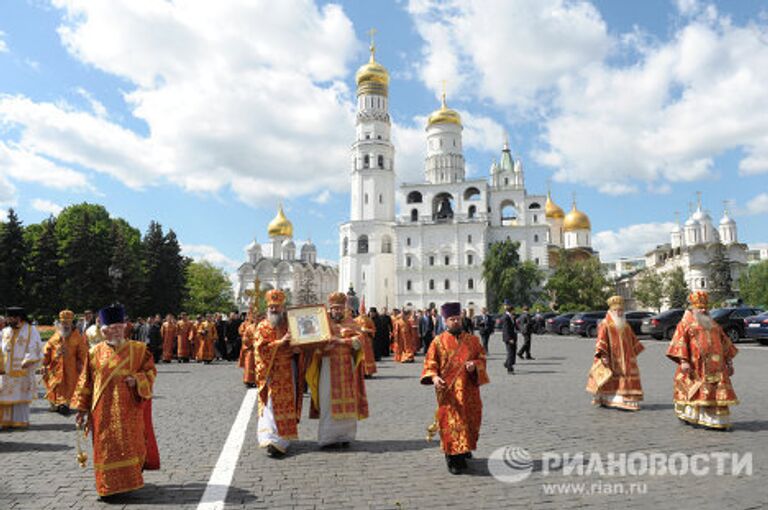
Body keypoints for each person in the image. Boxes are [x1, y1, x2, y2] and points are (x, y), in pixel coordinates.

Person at [73, 304, 159, 499]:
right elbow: (85, 381)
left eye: (121, 327)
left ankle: (130, 483)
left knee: (130, 444)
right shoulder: (94, 353)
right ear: (104, 330)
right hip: (102, 410)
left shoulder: (139, 350)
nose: (118, 330)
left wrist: (136, 379)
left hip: (129, 408)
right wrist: (81, 409)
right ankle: (107, 487)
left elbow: (150, 371)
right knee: (105, 447)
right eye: (113, 328)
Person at [421, 302, 489, 475]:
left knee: (470, 421)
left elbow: (482, 358)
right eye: (452, 319)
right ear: (445, 320)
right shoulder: (438, 342)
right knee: (451, 424)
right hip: (448, 391)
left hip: (469, 391)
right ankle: (453, 459)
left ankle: (465, 449)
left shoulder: (472, 341)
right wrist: (434, 377)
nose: (456, 322)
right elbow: (430, 363)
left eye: (458, 319)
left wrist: (475, 365)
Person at [666, 291, 739, 429]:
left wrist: (729, 363)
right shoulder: (685, 324)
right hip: (695, 365)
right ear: (693, 308)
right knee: (693, 391)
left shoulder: (714, 325)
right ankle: (689, 415)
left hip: (717, 367)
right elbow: (680, 342)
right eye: (700, 307)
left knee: (717, 393)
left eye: (705, 307)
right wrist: (684, 361)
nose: (703, 310)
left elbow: (726, 344)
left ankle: (716, 421)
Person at [305, 292, 368, 448]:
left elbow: (360, 340)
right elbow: (313, 343)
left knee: (348, 401)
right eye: (335, 309)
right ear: (330, 309)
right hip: (328, 365)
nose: (338, 311)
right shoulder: (322, 323)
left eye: (340, 308)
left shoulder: (351, 322)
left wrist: (342, 341)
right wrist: (323, 346)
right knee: (327, 400)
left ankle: (345, 436)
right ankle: (328, 437)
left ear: (344, 308)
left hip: (346, 365)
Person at [254, 290, 304, 457]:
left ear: (283, 307)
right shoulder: (262, 326)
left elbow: (299, 346)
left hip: (289, 370)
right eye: (271, 306)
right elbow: (260, 349)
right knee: (270, 404)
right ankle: (269, 438)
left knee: (287, 403)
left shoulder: (290, 324)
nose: (274, 309)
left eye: (277, 306)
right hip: (271, 370)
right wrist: (280, 342)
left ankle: (283, 439)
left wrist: (297, 348)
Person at [586, 296, 644, 411]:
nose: (619, 312)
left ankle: (625, 399)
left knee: (626, 377)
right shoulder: (605, 324)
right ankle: (609, 399)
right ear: (611, 311)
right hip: (611, 357)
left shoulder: (625, 325)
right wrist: (603, 355)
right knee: (610, 377)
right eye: (616, 310)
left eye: (621, 310)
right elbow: (601, 340)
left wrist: (634, 351)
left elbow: (632, 339)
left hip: (626, 358)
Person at [0, 307, 43, 429]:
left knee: (20, 396)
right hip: (6, 371)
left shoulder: (30, 330)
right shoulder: (6, 331)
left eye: (10, 318)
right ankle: (6, 422)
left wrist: (29, 359)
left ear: (18, 318)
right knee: (5, 395)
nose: (8, 320)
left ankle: (20, 421)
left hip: (23, 370)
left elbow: (35, 345)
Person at [42, 310, 89, 415]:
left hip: (71, 367)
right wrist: (44, 363)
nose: (65, 325)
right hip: (56, 366)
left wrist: (82, 365)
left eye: (68, 323)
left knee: (69, 385)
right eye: (63, 323)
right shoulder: (55, 336)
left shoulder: (78, 337)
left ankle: (65, 404)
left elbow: (83, 353)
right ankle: (57, 403)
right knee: (55, 384)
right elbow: (47, 350)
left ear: (72, 323)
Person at [354, 303, 378, 378]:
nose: (362, 313)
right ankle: (360, 372)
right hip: (359, 341)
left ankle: (368, 372)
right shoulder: (355, 320)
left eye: (363, 311)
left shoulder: (369, 320)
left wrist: (366, 330)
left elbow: (373, 330)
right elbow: (352, 330)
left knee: (368, 357)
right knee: (360, 356)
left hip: (367, 342)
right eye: (361, 311)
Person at [239, 312, 257, 388]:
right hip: (251, 349)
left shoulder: (261, 326)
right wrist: (252, 342)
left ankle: (256, 380)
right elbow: (244, 338)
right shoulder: (248, 327)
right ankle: (248, 380)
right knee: (249, 364)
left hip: (259, 350)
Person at [501, 302, 517, 373]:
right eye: (514, 310)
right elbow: (506, 329)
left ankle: (507, 363)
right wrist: (510, 338)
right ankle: (510, 369)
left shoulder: (510, 316)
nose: (515, 311)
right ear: (511, 310)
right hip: (509, 338)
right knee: (510, 352)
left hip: (513, 336)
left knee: (513, 351)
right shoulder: (506, 317)